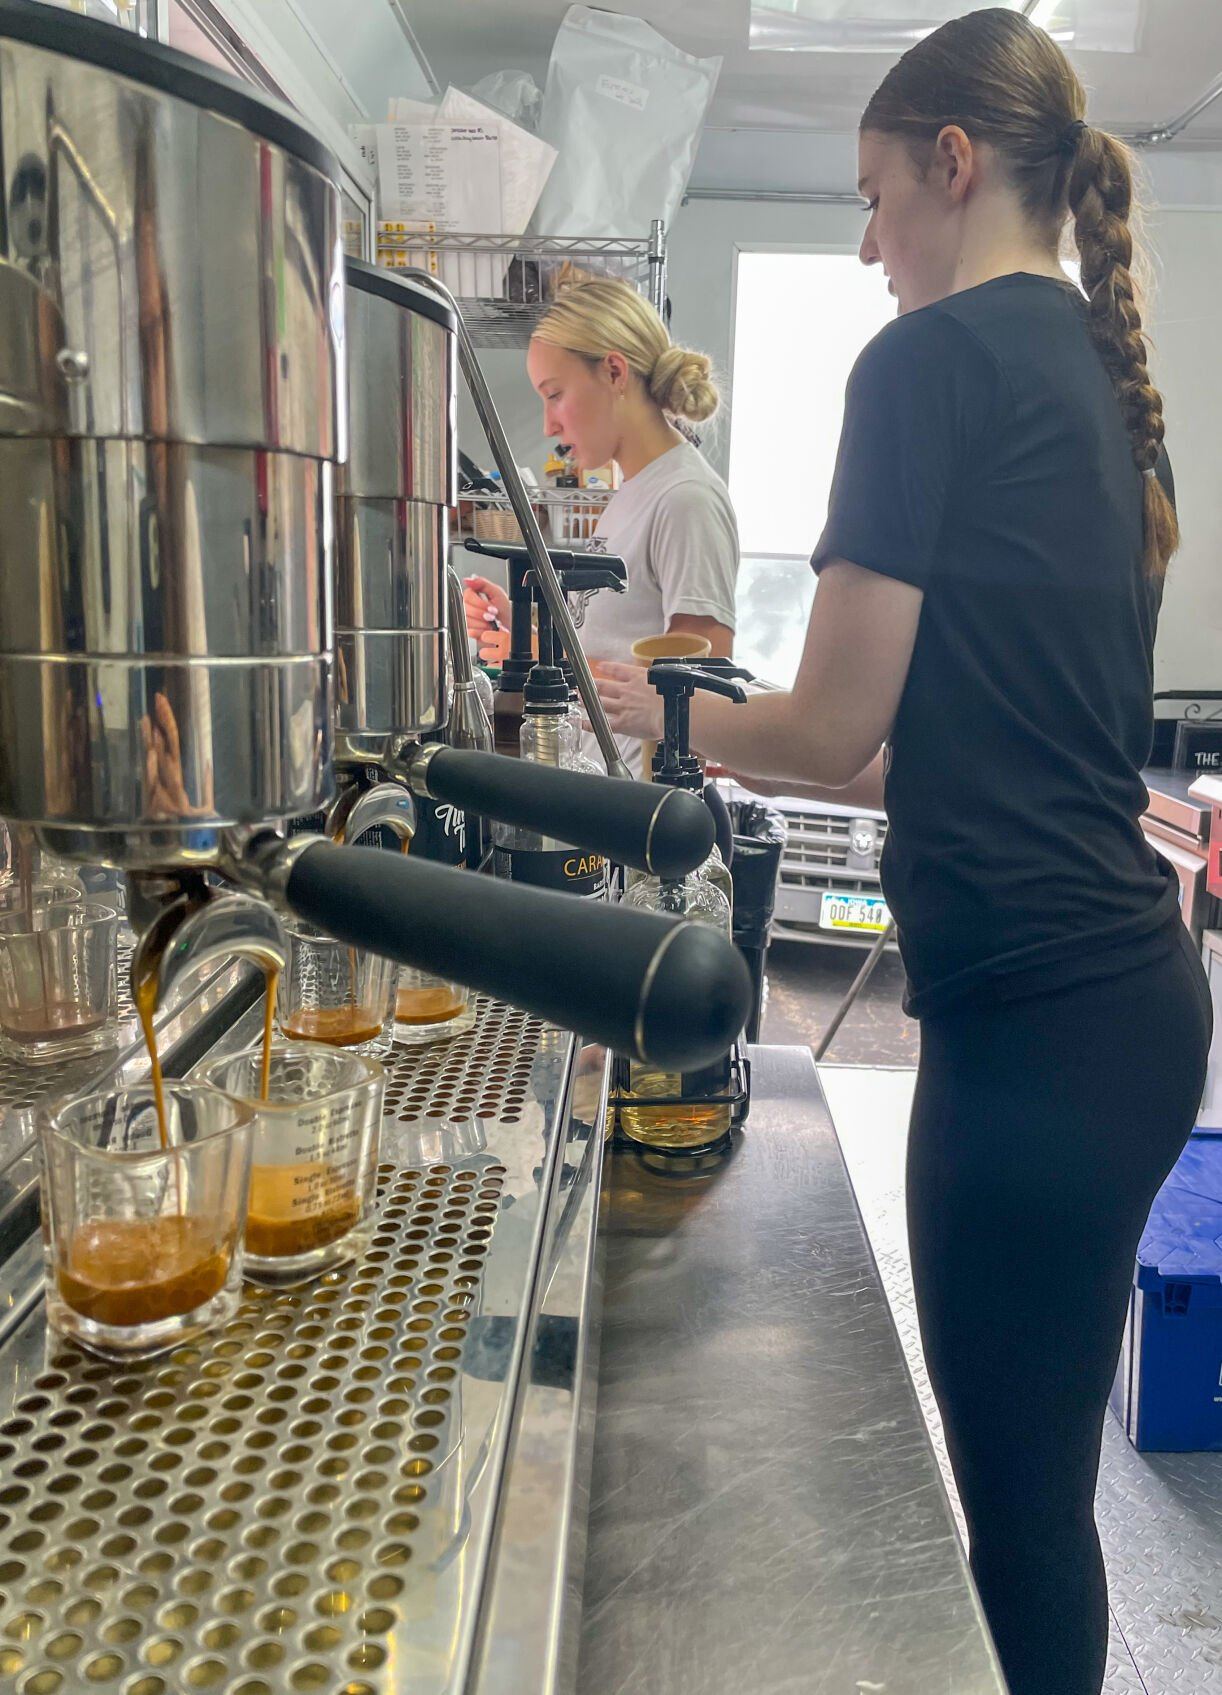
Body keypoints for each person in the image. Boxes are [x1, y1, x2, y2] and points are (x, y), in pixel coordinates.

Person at [595, 12, 1213, 1695]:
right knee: (1038, 1495)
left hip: (1038, 1032)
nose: (865, 245)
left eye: (873, 198)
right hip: (1124, 1004)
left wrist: (639, 696)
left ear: (953, 165)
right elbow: (939, 739)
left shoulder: (928, 364)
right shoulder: (1101, 376)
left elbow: (817, 728)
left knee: (1016, 1515)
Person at [464, 277, 738, 775]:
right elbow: (611, 642)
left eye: (555, 395)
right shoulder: (632, 492)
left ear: (614, 371)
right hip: (605, 790)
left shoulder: (685, 500)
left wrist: (545, 669)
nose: (548, 425)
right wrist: (524, 629)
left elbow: (693, 700)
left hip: (642, 808)